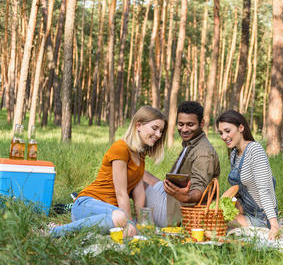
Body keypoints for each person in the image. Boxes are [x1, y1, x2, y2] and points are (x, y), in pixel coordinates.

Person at [50, 106, 167, 237]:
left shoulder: (140, 156)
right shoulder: (121, 148)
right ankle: (54, 231)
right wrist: (129, 223)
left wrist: (141, 225)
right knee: (123, 220)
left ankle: (84, 229)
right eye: (155, 128)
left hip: (110, 213)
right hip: (87, 204)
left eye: (161, 131)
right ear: (138, 125)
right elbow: (121, 193)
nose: (158, 135)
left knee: (133, 230)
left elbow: (139, 194)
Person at [144, 101, 220, 227]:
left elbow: (198, 189)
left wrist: (185, 197)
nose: (184, 129)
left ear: (202, 123)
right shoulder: (191, 143)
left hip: (177, 214)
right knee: (138, 173)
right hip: (172, 197)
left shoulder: (203, 153)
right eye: (181, 124)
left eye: (190, 125)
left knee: (134, 181)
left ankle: (123, 220)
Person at [216, 110, 280, 240]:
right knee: (213, 216)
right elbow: (240, 189)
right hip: (246, 210)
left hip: (262, 216)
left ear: (241, 127)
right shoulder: (234, 153)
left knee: (217, 224)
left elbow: (264, 190)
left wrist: (274, 225)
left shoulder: (255, 150)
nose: (223, 136)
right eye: (221, 133)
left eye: (227, 131)